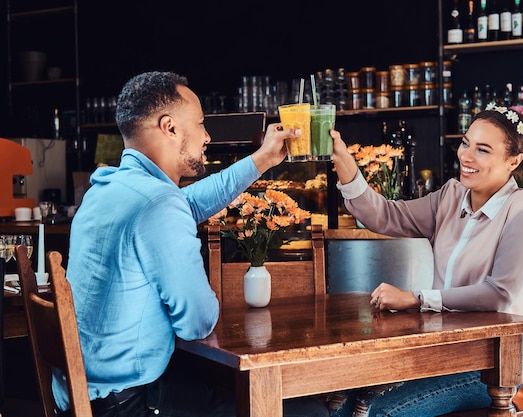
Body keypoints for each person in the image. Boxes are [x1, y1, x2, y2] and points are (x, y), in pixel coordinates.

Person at [57, 71, 329, 417]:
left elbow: (188, 203)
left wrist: (262, 159)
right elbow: (197, 322)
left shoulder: (106, 190)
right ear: (169, 127)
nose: (207, 136)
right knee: (309, 414)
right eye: (200, 124)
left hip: (85, 396)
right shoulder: (157, 205)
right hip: (131, 404)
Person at [324, 103, 523, 417]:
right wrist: (344, 161)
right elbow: (385, 215)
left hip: (489, 369)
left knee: (372, 412)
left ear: (514, 161)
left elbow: (500, 293)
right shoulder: (451, 196)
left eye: (482, 150)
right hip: (438, 352)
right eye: (466, 143)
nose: (466, 156)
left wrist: (417, 299)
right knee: (338, 405)